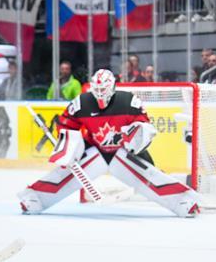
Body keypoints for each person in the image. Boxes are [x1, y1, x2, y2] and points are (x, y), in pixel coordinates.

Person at [18, 69, 199, 217]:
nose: (99, 95)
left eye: (103, 90)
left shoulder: (128, 101)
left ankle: (184, 200)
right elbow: (66, 125)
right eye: (96, 90)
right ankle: (34, 198)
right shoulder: (82, 103)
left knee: (149, 176)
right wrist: (69, 146)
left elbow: (145, 126)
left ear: (112, 87)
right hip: (95, 150)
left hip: (123, 152)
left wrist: (136, 138)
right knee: (67, 173)